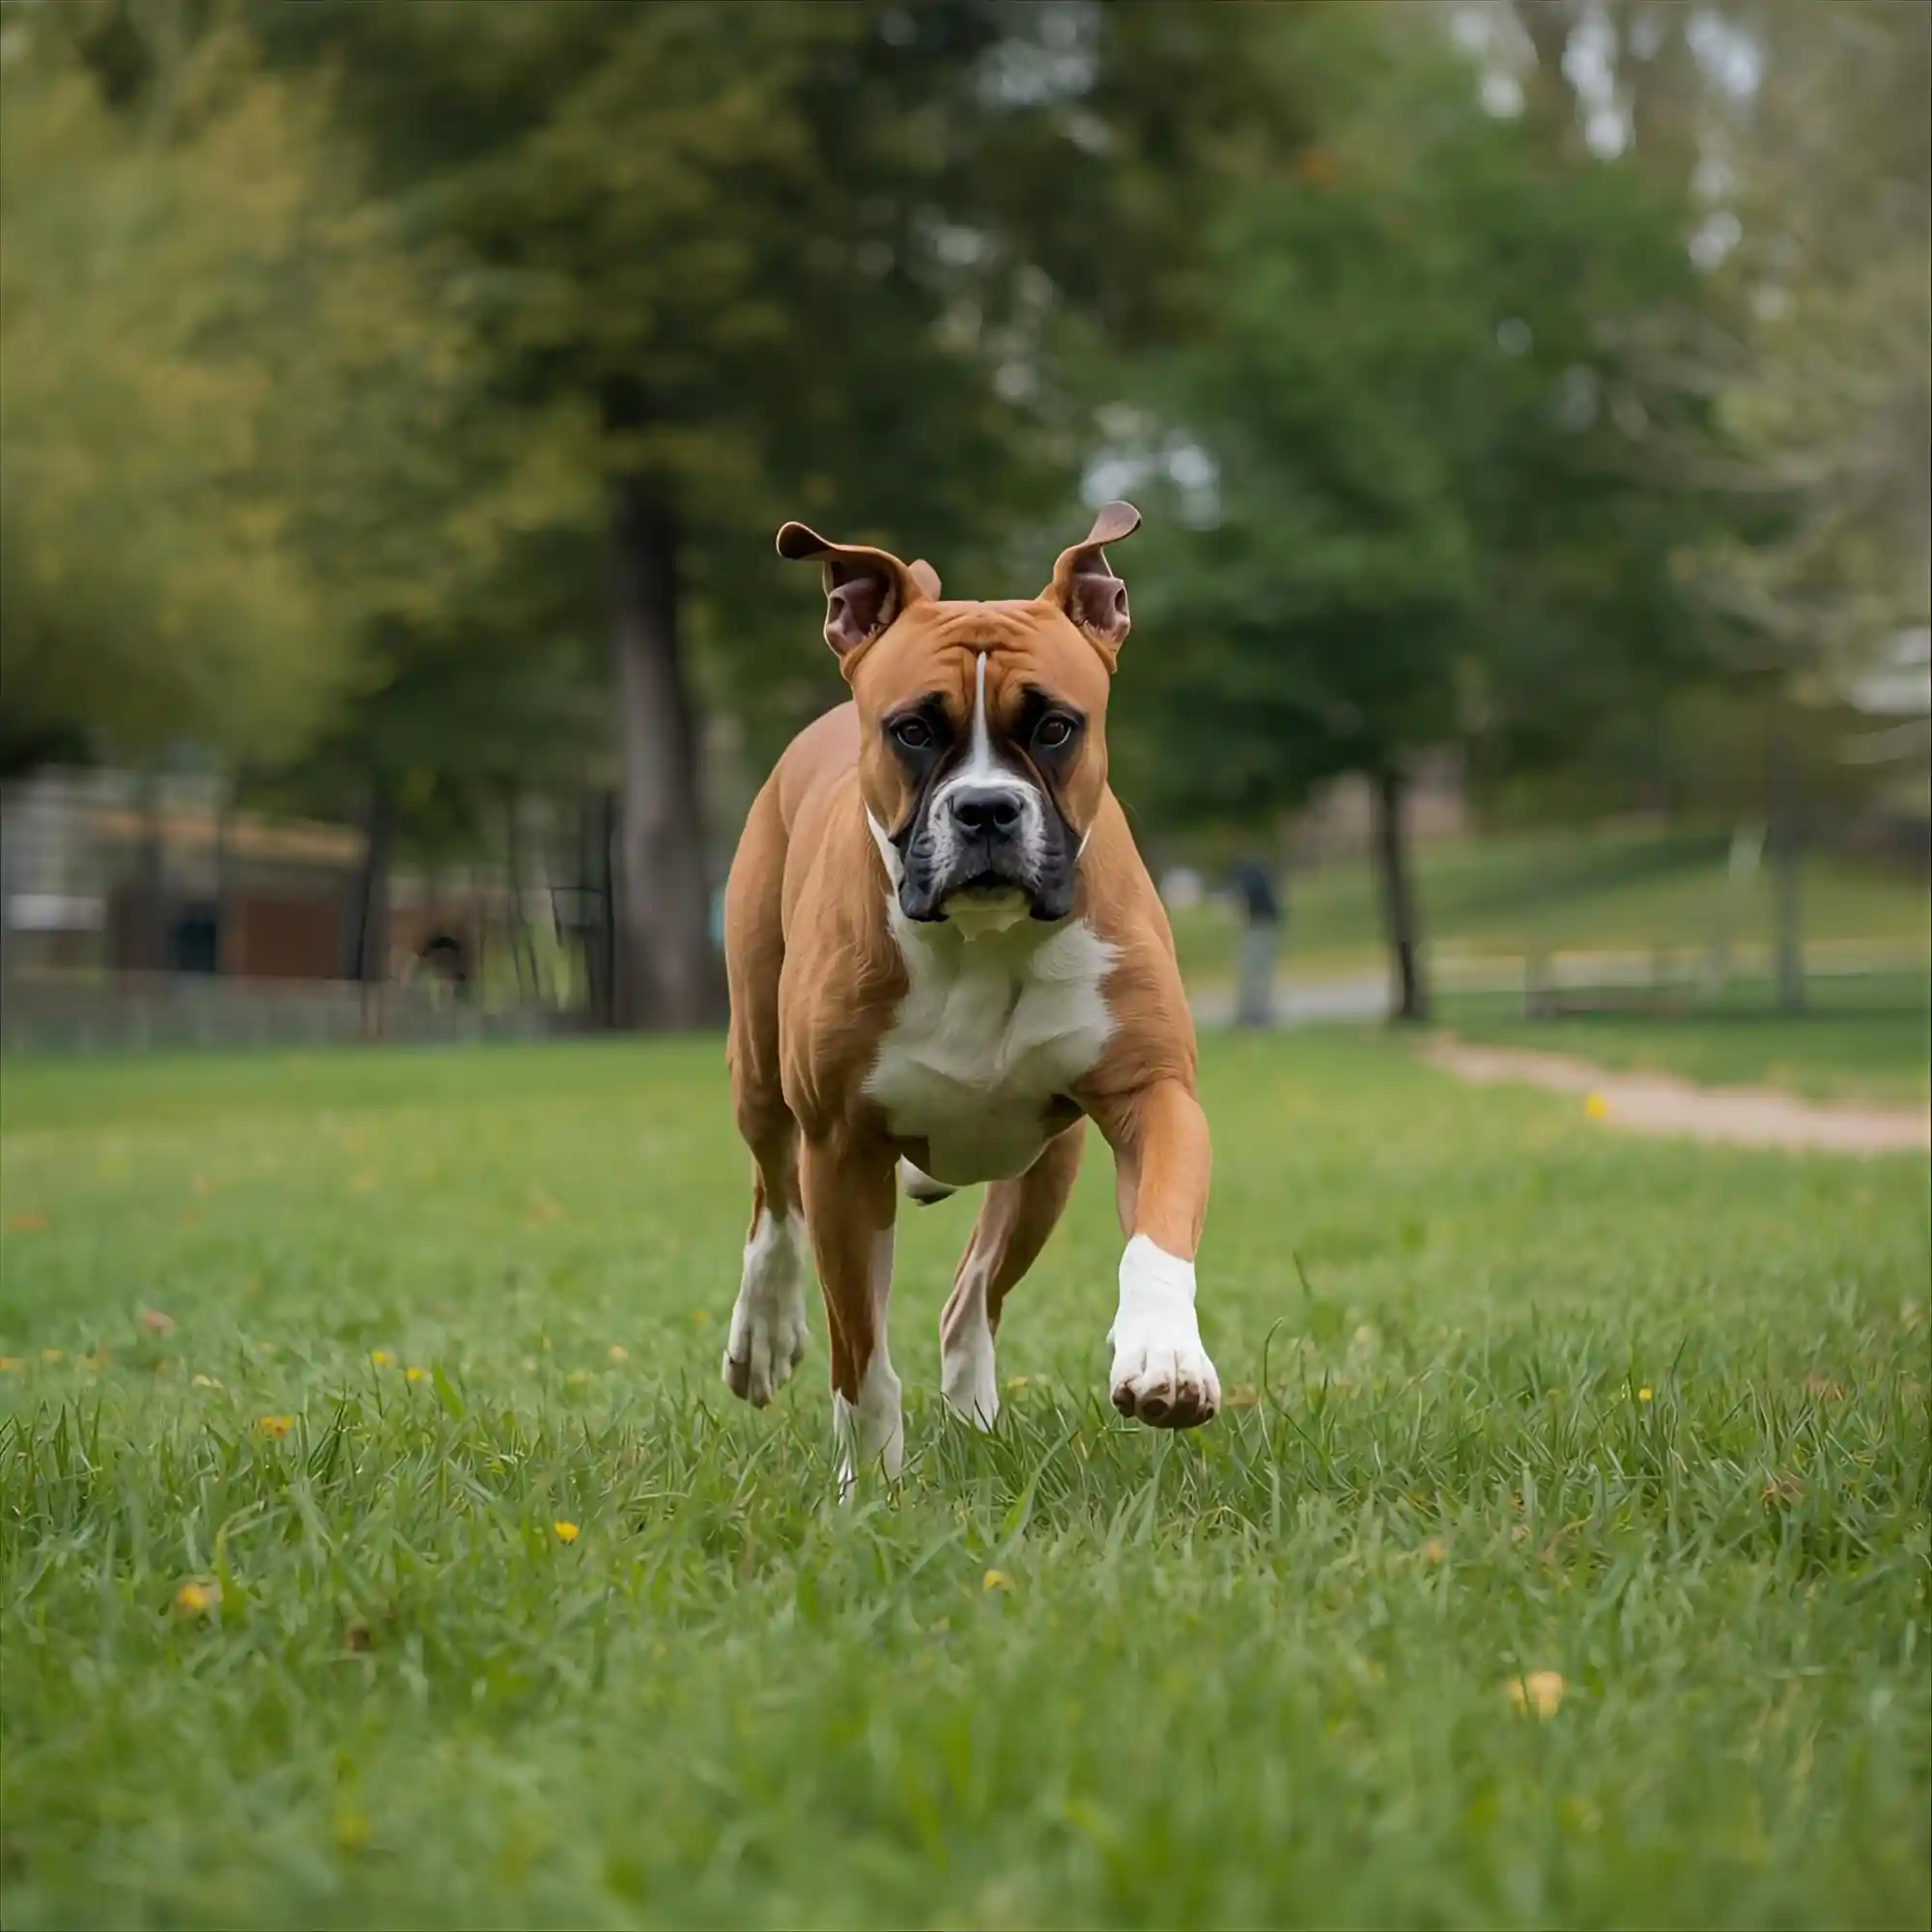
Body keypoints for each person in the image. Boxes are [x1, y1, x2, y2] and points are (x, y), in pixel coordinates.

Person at [1228, 857, 1282, 1028]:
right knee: (1258, 972)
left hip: (1260, 925)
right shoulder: (1255, 872)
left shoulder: (1249, 874)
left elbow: (1246, 894)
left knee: (1254, 971)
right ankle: (1255, 1013)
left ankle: (1255, 1015)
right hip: (1263, 924)